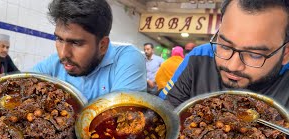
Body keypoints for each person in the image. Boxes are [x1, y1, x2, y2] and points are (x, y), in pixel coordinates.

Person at [159, 0, 289, 109]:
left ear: (285, 54)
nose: (232, 66)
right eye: (225, 46)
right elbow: (165, 113)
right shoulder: (199, 57)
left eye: (254, 54)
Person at [32, 0, 146, 101]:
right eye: (59, 39)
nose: (63, 54)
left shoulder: (127, 59)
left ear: (102, 45)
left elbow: (122, 116)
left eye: (76, 43)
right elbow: (23, 85)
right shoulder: (54, 63)